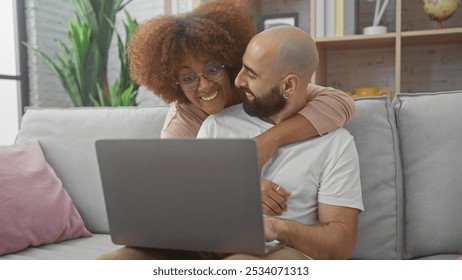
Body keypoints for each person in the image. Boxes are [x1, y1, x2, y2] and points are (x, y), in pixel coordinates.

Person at [197, 25, 363, 260]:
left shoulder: (336, 144)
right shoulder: (217, 125)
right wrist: (239, 189)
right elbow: (194, 201)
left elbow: (340, 245)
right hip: (209, 245)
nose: (237, 81)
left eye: (251, 74)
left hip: (278, 253)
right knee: (128, 257)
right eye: (242, 67)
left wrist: (277, 228)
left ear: (288, 86)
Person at [126, 0, 355, 168]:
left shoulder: (253, 89)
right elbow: (180, 182)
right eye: (188, 78)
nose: (204, 86)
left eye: (213, 69)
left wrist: (268, 141)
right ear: (173, 83)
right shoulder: (182, 122)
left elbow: (340, 103)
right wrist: (242, 183)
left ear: (230, 61)